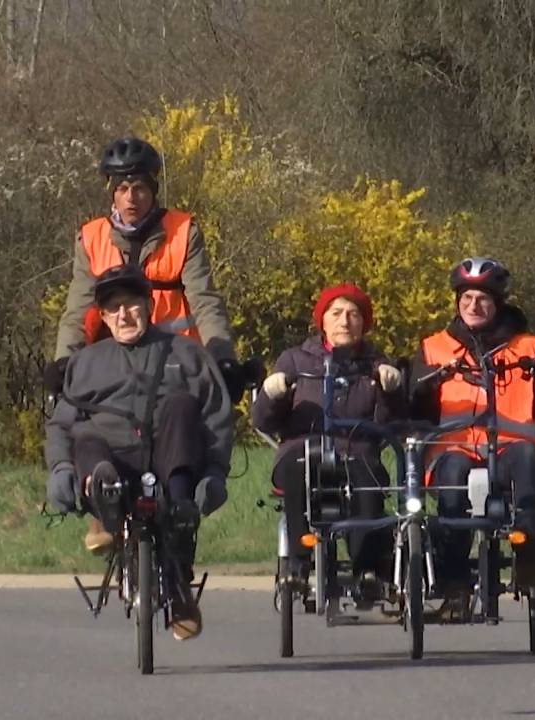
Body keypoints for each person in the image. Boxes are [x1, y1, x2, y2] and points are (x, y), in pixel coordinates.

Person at [44, 264, 233, 640]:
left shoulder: (188, 354)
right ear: (104, 317)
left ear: (149, 307)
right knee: (86, 435)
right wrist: (60, 468)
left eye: (131, 305)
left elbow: (217, 416)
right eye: (113, 309)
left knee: (182, 405)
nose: (123, 315)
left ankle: (179, 583)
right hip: (110, 457)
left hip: (170, 457)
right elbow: (61, 424)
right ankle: (104, 508)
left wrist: (214, 472)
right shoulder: (86, 363)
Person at [409, 257, 535, 615]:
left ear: (498, 304)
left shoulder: (528, 346)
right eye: (466, 298)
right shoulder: (434, 347)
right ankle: (454, 587)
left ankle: (528, 555)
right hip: (455, 448)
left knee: (528, 460)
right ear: (456, 302)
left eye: (482, 299)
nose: (473, 306)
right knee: (451, 483)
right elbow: (414, 408)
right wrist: (422, 387)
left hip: (511, 447)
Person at [45, 136, 246, 400]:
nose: (131, 198)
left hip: (175, 363)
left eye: (139, 188)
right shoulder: (91, 238)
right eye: (122, 189)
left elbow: (205, 302)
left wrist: (221, 357)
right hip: (112, 365)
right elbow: (78, 312)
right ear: (112, 194)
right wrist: (65, 363)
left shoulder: (183, 232)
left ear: (152, 191)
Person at [251, 283, 404, 592]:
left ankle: (367, 568)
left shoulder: (377, 363)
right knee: (299, 469)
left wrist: (391, 392)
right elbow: (263, 420)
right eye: (336, 313)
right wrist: (273, 394)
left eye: (353, 314)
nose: (344, 321)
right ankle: (297, 561)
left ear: (364, 322)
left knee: (367, 480)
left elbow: (390, 427)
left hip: (357, 452)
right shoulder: (295, 360)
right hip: (302, 449)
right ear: (322, 321)